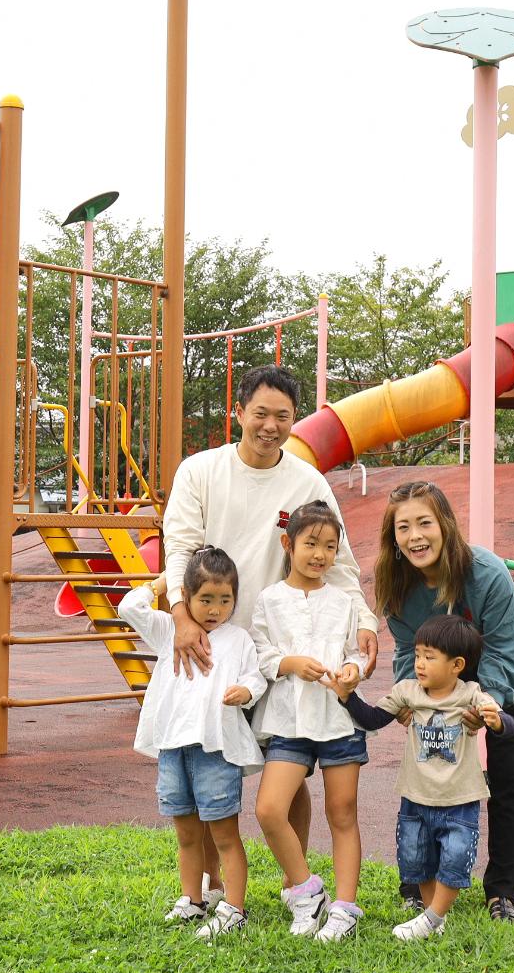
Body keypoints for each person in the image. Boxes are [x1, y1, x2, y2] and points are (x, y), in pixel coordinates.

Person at [159, 366, 378, 885]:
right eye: (260, 413)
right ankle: (211, 887)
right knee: (209, 755)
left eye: (283, 416)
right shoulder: (200, 470)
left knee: (289, 763)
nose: (270, 425)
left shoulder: (306, 480)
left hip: (284, 647)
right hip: (214, 643)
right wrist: (181, 615)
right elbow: (180, 547)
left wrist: (364, 620)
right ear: (239, 412)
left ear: (293, 421)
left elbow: (340, 560)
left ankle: (292, 881)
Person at [375, 481, 514, 923]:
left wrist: (485, 707)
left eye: (425, 523)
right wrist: (408, 697)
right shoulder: (396, 583)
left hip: (506, 657)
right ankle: (419, 884)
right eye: (403, 527)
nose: (415, 536)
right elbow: (403, 650)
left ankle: (502, 892)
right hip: (436, 662)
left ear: (446, 525)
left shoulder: (485, 572)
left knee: (511, 774)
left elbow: (506, 650)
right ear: (392, 538)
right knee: (431, 760)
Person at [117, 547, 266, 941]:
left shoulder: (238, 639)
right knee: (185, 832)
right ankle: (194, 900)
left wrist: (245, 692)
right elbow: (128, 608)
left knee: (224, 833)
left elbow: (257, 678)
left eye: (225, 600)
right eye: (205, 600)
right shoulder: (169, 629)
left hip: (216, 750)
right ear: (187, 596)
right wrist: (163, 584)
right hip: (172, 748)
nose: (216, 609)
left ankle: (234, 907)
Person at [337, 614, 513, 941]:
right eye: (417, 654)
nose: (419, 663)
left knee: (455, 858)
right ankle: (433, 919)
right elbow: (373, 719)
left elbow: (505, 723)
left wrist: (497, 721)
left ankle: (431, 918)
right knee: (417, 859)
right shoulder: (408, 692)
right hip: (415, 799)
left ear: (457, 664)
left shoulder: (472, 694)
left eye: (429, 657)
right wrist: (347, 696)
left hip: (460, 800)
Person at [250, 499, 373, 942]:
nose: (320, 555)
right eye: (310, 544)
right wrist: (288, 662)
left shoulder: (344, 602)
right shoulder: (268, 600)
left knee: (342, 813)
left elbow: (358, 652)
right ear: (288, 543)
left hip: (337, 719)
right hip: (288, 720)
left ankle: (344, 907)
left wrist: (353, 671)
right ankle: (306, 889)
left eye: (329, 546)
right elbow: (260, 654)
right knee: (268, 809)